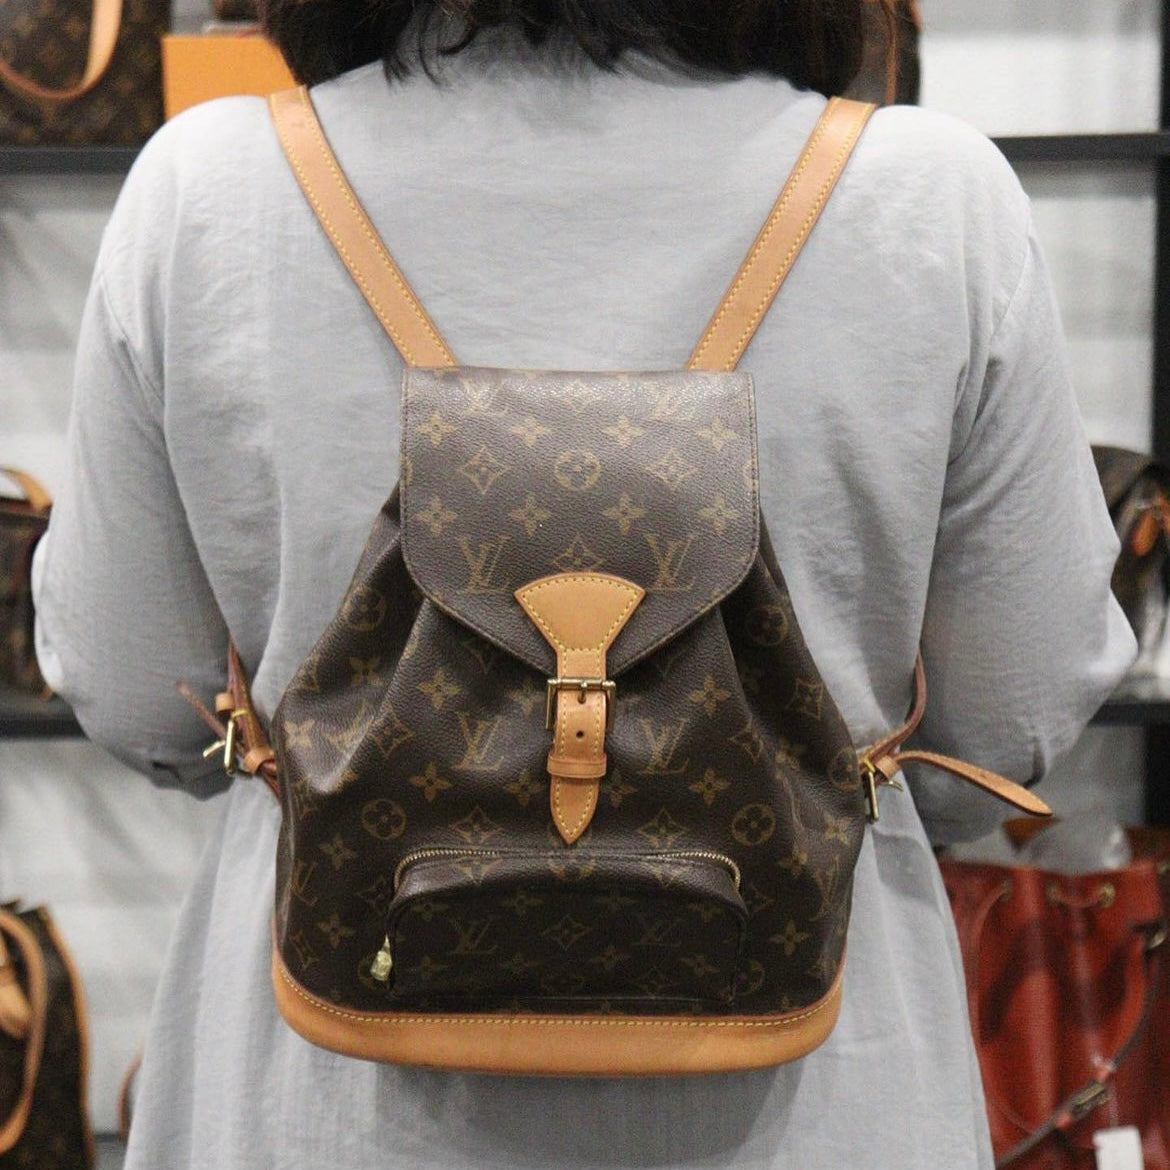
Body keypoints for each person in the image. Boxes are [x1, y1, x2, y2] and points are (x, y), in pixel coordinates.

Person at [33, 2, 1135, 1166]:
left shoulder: (208, 191)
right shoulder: (931, 200)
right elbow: (1010, 715)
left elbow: (137, 696)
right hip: (809, 1076)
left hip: (327, 1079)